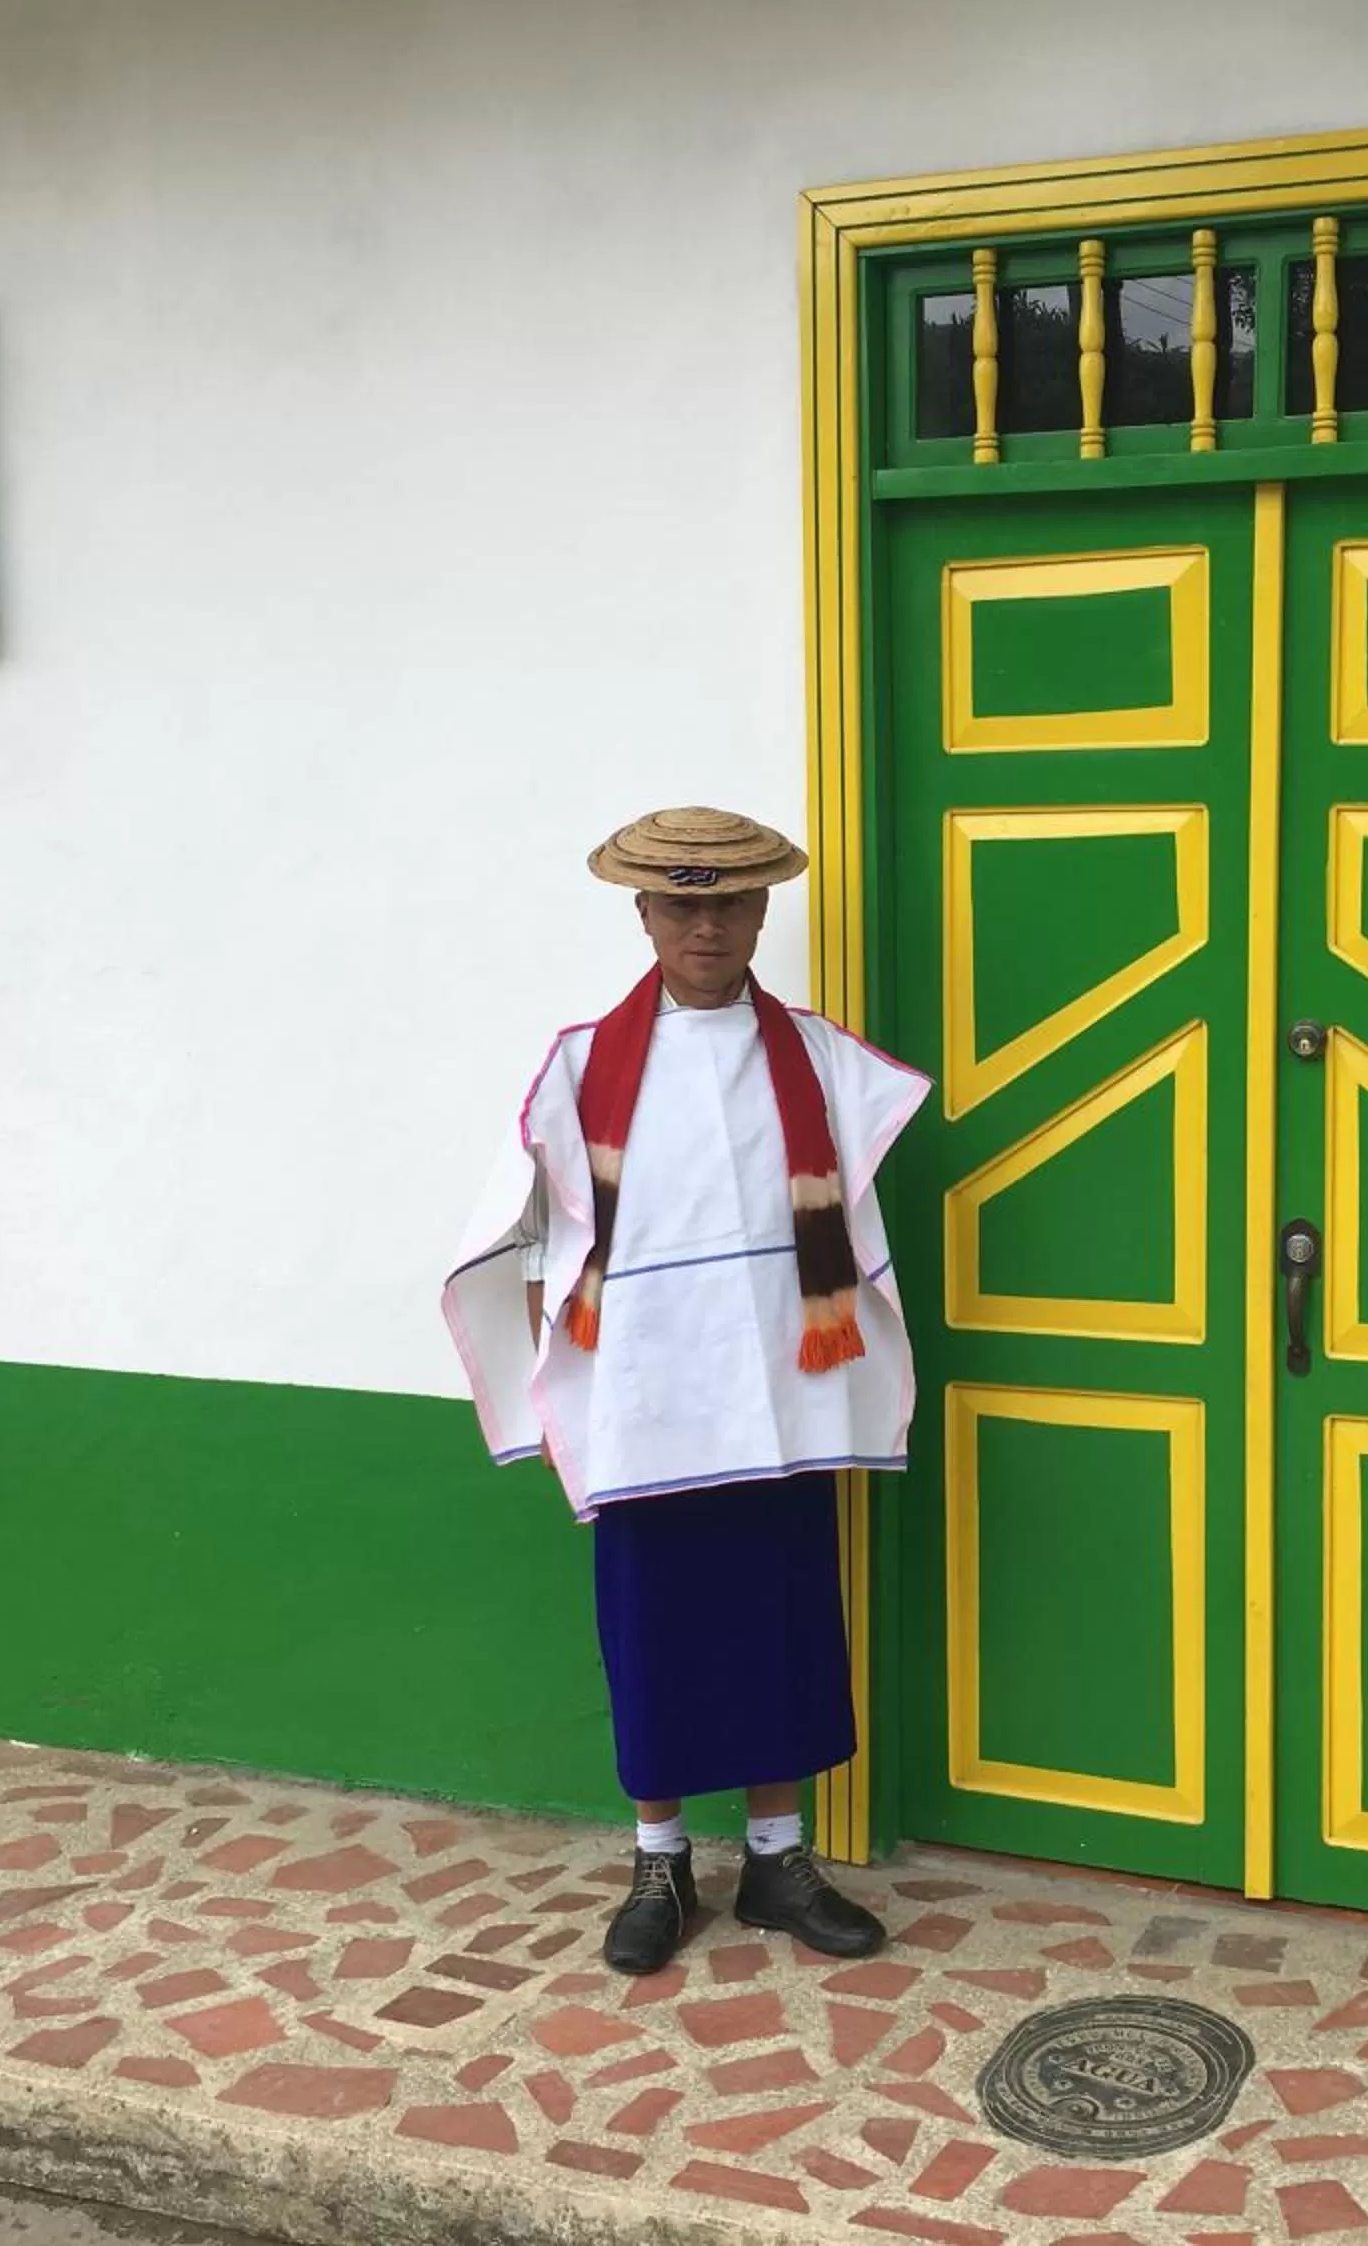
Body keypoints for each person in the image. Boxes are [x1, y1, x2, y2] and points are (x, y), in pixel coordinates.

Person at [443, 806, 929, 1976]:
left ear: (762, 910)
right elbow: (517, 1221)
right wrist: (540, 1328)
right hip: (646, 1400)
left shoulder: (816, 1058)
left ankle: (777, 1857)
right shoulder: (576, 1069)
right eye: (680, 903)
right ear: (645, 914)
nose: (706, 924)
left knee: (784, 1617)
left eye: (729, 903)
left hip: (779, 1391)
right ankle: (659, 1859)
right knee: (652, 1627)